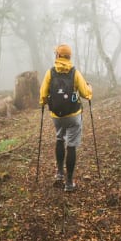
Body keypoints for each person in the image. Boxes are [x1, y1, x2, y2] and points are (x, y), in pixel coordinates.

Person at [39, 44, 92, 192]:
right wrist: (90, 90)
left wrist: (43, 102)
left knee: (59, 139)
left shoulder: (50, 73)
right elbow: (85, 93)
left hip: (56, 115)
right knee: (71, 146)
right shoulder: (75, 73)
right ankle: (69, 183)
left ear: (57, 56)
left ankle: (59, 174)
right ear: (69, 57)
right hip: (73, 115)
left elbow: (43, 92)